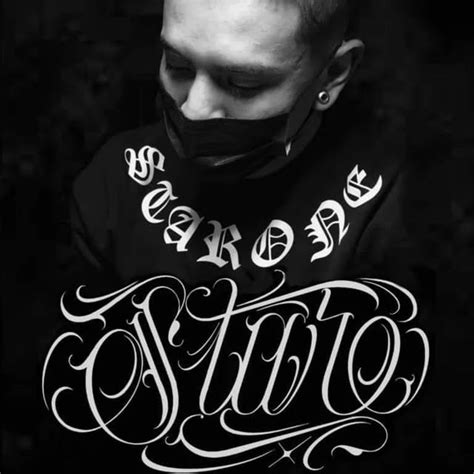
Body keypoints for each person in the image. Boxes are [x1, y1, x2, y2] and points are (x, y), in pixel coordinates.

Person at [44, 0, 445, 472]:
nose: (194, 108)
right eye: (177, 65)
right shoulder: (112, 184)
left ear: (333, 76)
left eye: (243, 84)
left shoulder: (396, 210)